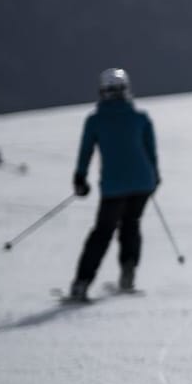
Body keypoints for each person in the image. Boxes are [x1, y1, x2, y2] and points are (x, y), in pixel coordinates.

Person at [69, 67, 159, 301]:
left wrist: (80, 178)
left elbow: (85, 152)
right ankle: (127, 274)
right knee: (131, 224)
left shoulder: (95, 121)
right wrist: (154, 178)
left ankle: (81, 283)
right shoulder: (140, 118)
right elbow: (151, 154)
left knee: (102, 233)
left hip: (114, 187)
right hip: (142, 183)